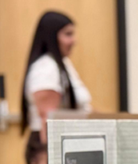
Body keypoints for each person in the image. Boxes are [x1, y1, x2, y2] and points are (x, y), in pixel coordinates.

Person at [22, 11, 92, 145]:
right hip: (49, 144)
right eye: (68, 34)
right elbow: (48, 120)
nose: (74, 41)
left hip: (64, 142)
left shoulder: (62, 63)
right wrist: (49, 154)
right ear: (51, 36)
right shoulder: (45, 68)